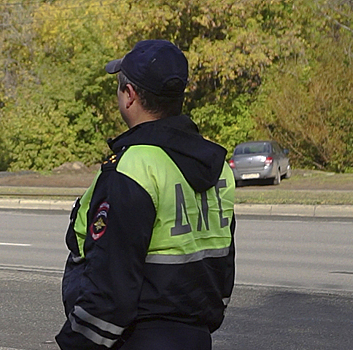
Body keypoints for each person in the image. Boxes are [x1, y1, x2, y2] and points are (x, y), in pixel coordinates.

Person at [55, 40, 236, 350]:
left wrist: (76, 342)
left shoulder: (133, 168)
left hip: (139, 337)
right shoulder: (218, 166)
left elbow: (111, 286)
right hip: (196, 336)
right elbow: (221, 264)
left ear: (130, 96)